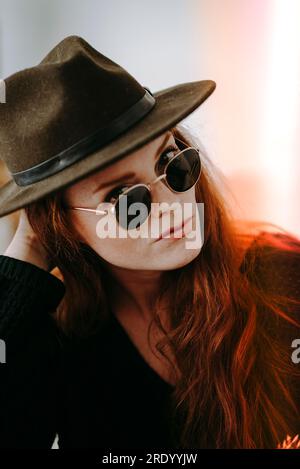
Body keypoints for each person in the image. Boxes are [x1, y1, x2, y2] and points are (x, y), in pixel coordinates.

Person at [0, 35, 299, 450]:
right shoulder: (62, 340)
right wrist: (24, 260)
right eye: (125, 199)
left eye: (173, 162)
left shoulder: (282, 278)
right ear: (62, 226)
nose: (171, 202)